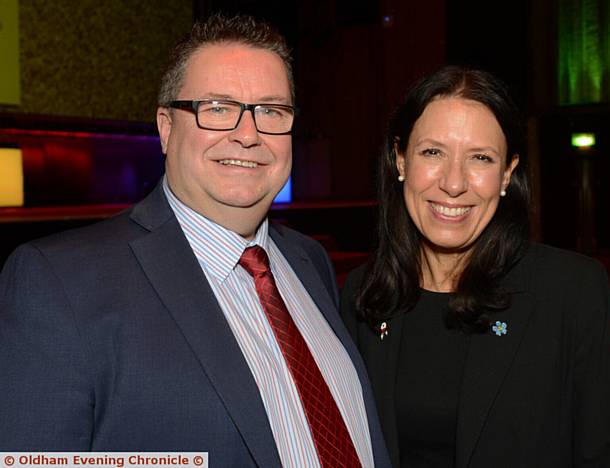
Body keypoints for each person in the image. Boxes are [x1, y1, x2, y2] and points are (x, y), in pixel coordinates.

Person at [0, 14, 391, 467]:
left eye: (271, 111)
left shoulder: (309, 260)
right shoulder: (58, 284)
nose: (248, 134)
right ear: (166, 127)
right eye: (218, 108)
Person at [340, 66, 610, 467]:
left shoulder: (572, 292)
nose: (454, 182)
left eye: (480, 158)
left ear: (506, 174)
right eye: (433, 152)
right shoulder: (362, 296)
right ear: (400, 160)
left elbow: (607, 454)